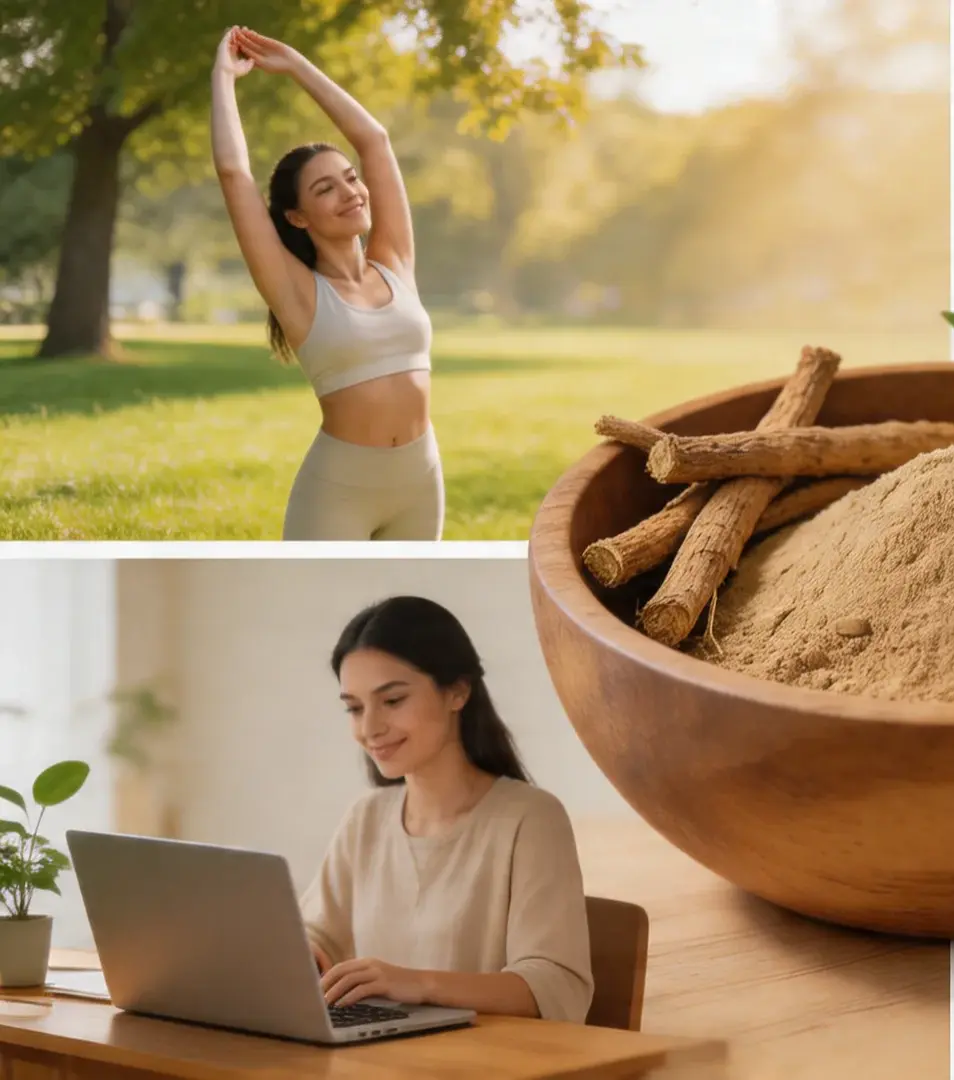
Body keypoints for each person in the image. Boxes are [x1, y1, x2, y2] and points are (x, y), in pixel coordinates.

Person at [301, 596, 594, 1023]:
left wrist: (417, 984)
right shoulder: (366, 818)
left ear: (458, 690)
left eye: (393, 700)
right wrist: (304, 956)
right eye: (354, 708)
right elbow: (318, 934)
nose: (369, 729)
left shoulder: (530, 819)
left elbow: (556, 986)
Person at [211, 26, 443, 541]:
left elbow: (374, 140)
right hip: (339, 492)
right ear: (297, 217)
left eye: (349, 178)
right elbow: (233, 173)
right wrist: (223, 79)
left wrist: (297, 65)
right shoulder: (297, 293)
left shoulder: (394, 262)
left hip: (421, 482)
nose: (350, 192)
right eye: (325, 188)